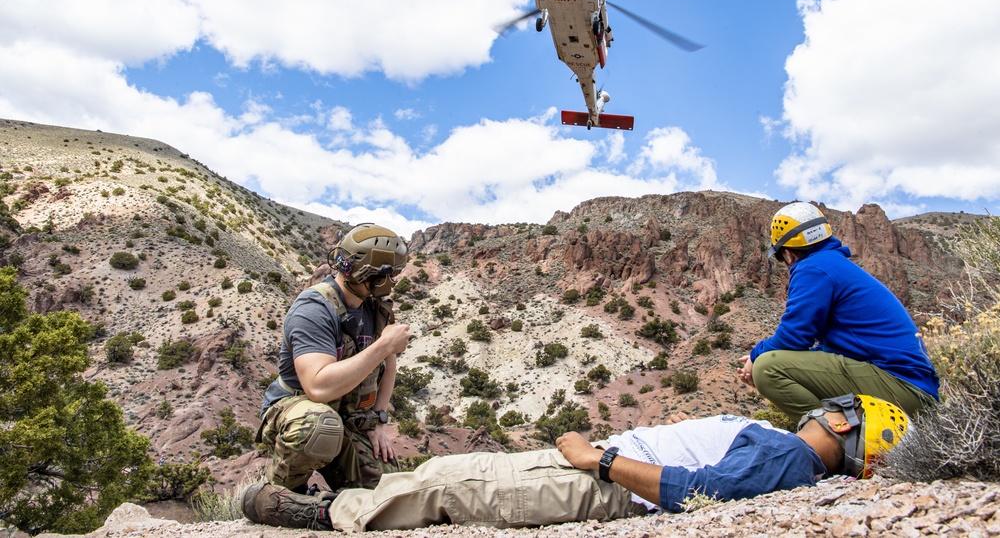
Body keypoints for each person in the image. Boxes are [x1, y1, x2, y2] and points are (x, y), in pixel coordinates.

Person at [241, 394, 909, 532]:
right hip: (600, 470)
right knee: (463, 473)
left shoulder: (791, 455)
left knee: (456, 487)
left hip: (602, 485)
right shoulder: (784, 449)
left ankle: (322, 515)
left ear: (844, 424)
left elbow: (701, 492)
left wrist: (599, 460)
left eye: (834, 408)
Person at [738, 201, 939, 421]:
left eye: (779, 257)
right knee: (772, 363)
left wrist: (757, 356)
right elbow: (831, 353)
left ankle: (836, 446)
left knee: (768, 369)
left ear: (788, 254)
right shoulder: (833, 264)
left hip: (903, 389)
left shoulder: (813, 268)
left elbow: (794, 336)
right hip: (913, 389)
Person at [254, 223, 411, 495]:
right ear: (373, 275)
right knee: (320, 426)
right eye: (390, 275)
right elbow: (318, 387)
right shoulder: (314, 309)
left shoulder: (375, 309)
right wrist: (384, 344)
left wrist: (377, 422)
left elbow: (388, 367)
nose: (391, 283)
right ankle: (277, 494)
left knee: (389, 493)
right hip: (300, 411)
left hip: (346, 416)